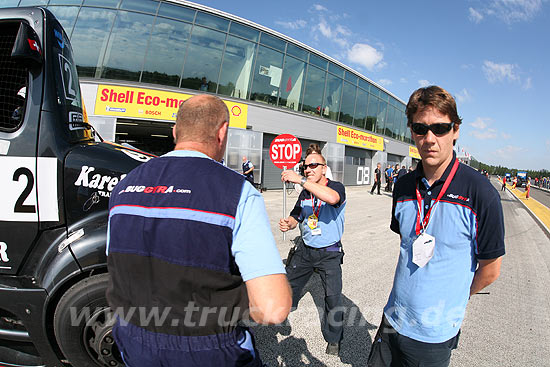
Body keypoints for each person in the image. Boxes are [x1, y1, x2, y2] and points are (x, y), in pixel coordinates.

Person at [106, 94, 291, 367]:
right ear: (222, 132)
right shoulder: (237, 192)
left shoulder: (124, 186)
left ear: (174, 132)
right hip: (209, 348)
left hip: (132, 338)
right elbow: (273, 308)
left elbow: (118, 265)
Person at [369, 86, 505, 367]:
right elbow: (407, 245)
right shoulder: (403, 185)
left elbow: (490, 270)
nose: (429, 139)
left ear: (455, 130)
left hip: (433, 335)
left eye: (440, 128)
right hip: (392, 319)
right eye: (420, 128)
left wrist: (453, 298)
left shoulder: (480, 192)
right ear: (411, 130)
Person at [278, 151, 346, 356]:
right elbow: (296, 216)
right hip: (306, 250)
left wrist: (299, 179)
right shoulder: (304, 193)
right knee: (287, 285)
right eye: (305, 167)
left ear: (324, 168)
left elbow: (332, 198)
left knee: (333, 298)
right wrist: (288, 224)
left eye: (313, 165)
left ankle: (334, 339)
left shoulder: (336, 187)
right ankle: (283, 314)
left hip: (330, 253)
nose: (308, 169)